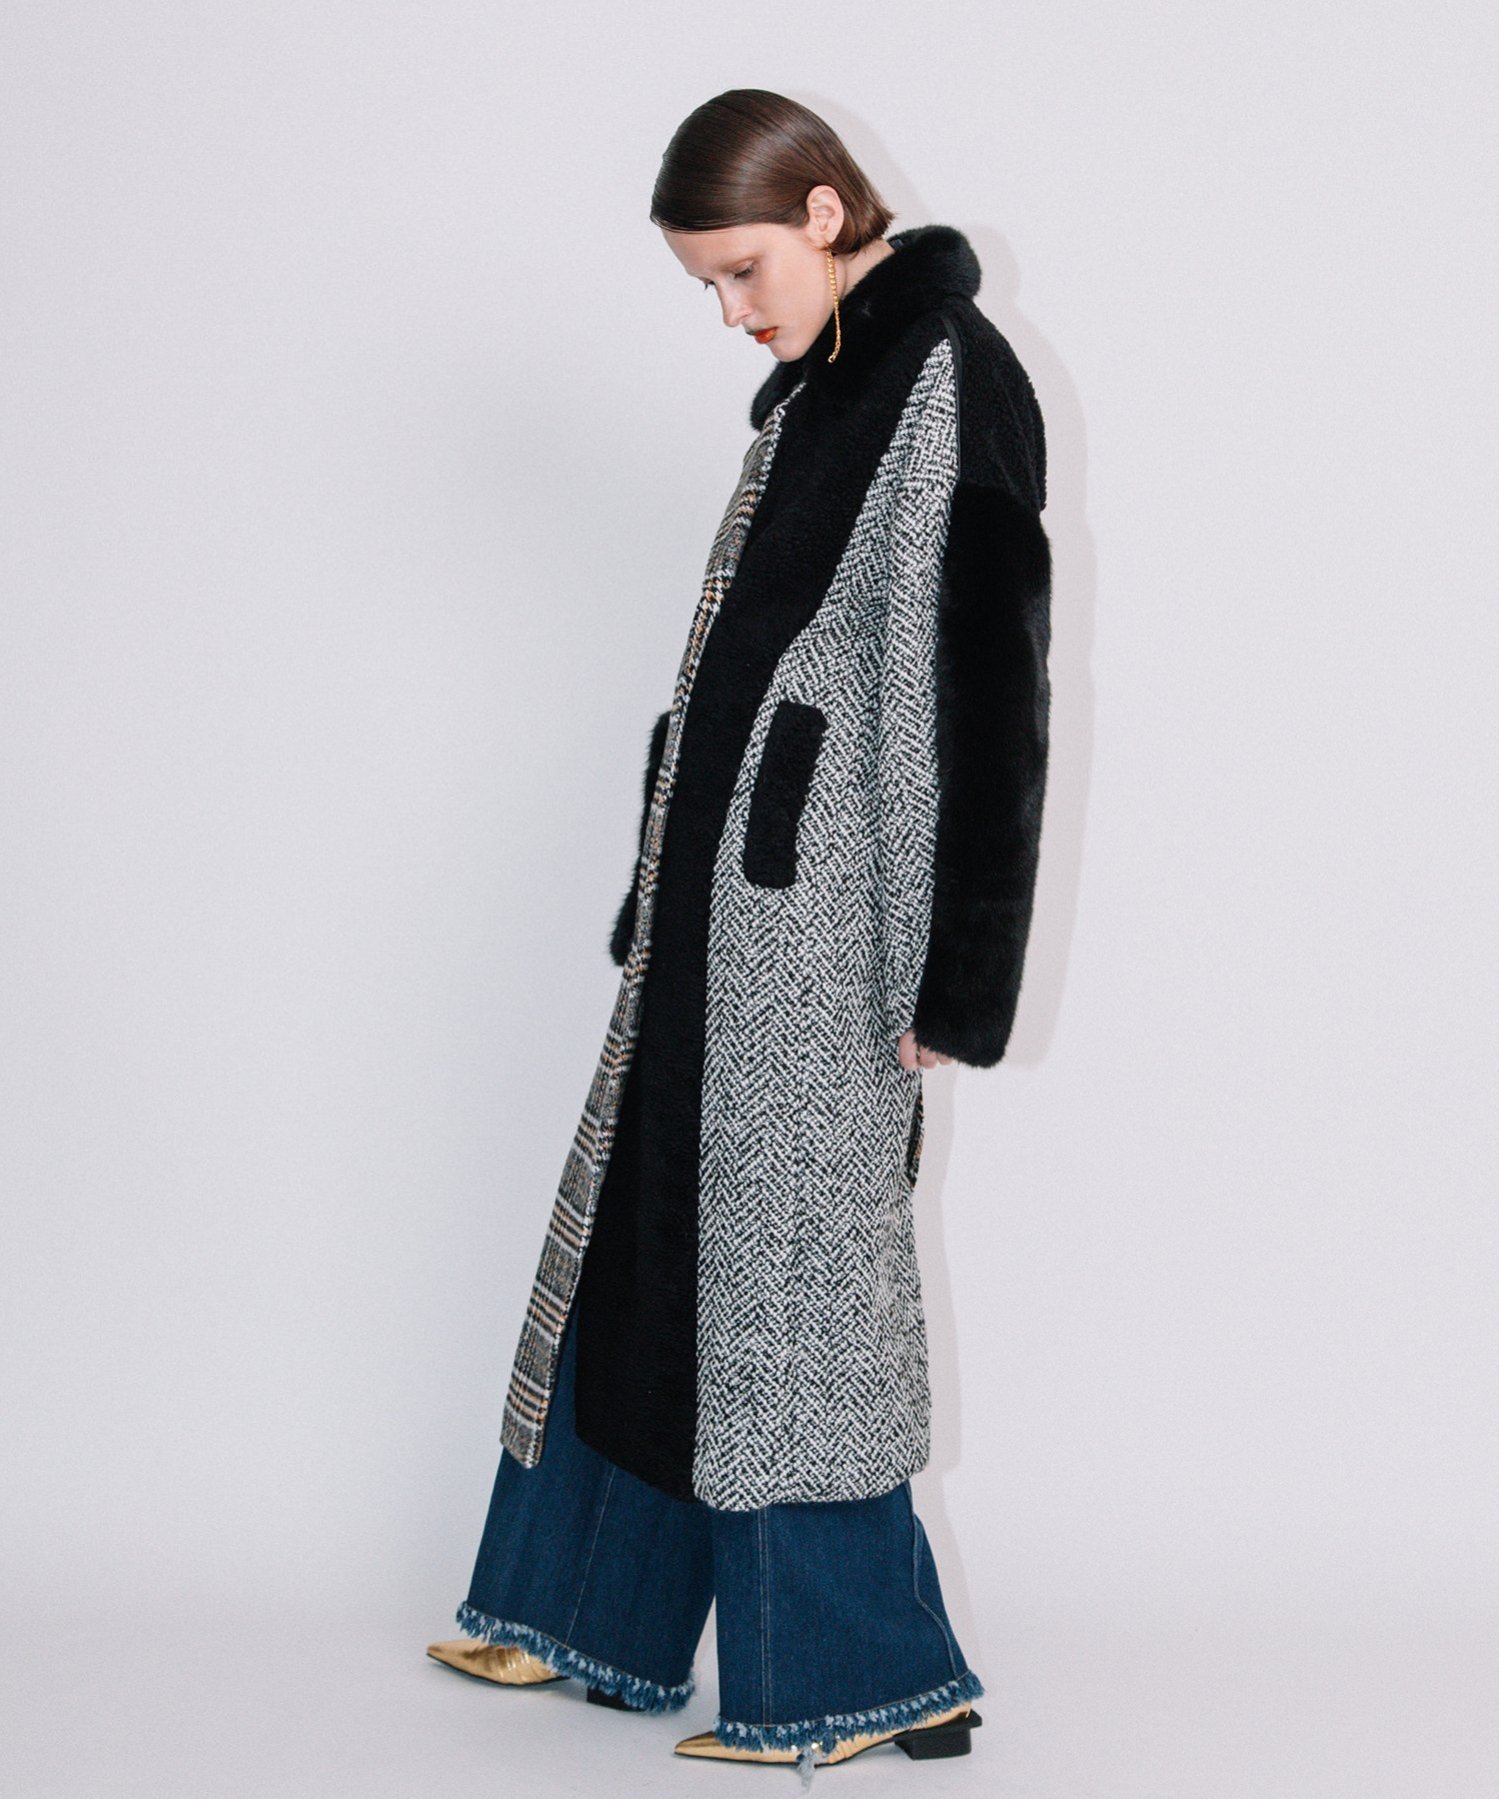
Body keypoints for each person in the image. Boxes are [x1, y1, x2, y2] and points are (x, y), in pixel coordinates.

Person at [426, 88, 1051, 1774]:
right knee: (645, 1247)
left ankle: (863, 1678)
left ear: (828, 215)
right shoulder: (818, 388)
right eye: (705, 283)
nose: (728, 310)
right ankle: (582, 1610)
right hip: (716, 919)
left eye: (742, 269)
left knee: (796, 1302)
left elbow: (993, 687)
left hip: (826, 935)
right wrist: (666, 881)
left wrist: (959, 973)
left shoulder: (949, 375)